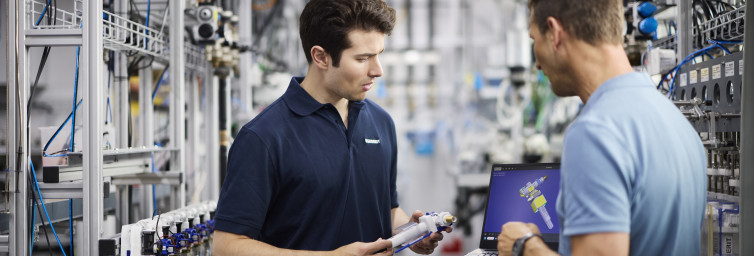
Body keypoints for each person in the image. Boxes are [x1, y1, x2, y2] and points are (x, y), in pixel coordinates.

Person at [212, 0, 450, 255]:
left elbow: (387, 208)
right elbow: (227, 246)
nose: (377, 70)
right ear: (321, 57)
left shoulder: (381, 123)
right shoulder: (264, 138)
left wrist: (410, 233)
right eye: (363, 58)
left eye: (378, 55)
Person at [497, 0, 706, 255]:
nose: (537, 64)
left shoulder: (595, 133)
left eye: (534, 41)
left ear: (554, 33)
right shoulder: (676, 122)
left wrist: (525, 246)